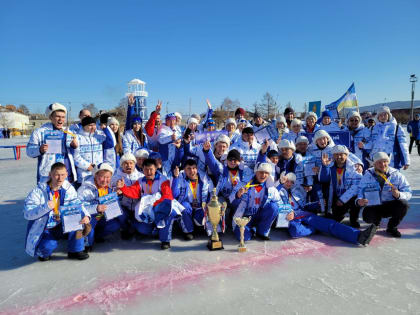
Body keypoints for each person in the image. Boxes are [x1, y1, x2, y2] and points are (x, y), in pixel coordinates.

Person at [279, 173, 377, 246]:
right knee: (295, 231)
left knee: (330, 225)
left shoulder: (296, 193)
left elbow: (304, 206)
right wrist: (289, 213)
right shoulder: (278, 191)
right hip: (291, 217)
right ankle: (316, 229)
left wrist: (316, 204)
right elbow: (278, 206)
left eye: (291, 182)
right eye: (287, 181)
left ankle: (358, 236)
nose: (289, 184)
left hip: (304, 215)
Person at [24, 162, 90, 261]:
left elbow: (78, 204)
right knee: (47, 247)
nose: (60, 178)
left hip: (63, 223)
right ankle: (44, 252)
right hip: (46, 228)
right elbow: (27, 214)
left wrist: (86, 215)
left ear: (67, 174)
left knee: (79, 218)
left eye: (62, 175)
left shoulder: (68, 188)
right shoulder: (38, 192)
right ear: (50, 174)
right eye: (57, 175)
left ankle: (75, 250)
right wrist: (45, 207)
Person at [117, 158, 182, 249]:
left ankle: (165, 240)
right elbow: (133, 192)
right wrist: (123, 187)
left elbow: (167, 195)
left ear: (155, 169)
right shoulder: (140, 181)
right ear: (142, 169)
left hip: (160, 206)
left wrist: (155, 205)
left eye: (151, 169)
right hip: (147, 209)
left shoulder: (163, 179)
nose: (148, 172)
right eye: (146, 169)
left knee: (167, 215)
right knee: (142, 229)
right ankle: (153, 230)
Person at [357, 152, 412, 237]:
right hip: (374, 206)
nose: (383, 164)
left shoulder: (397, 175)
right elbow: (360, 191)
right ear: (374, 164)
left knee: (404, 204)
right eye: (379, 162)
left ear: (388, 162)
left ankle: (391, 227)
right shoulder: (368, 175)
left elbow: (408, 191)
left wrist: (399, 195)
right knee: (367, 216)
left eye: (385, 161)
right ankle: (376, 222)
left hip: (390, 205)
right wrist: (359, 200)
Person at [27, 103, 78, 183]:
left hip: (66, 174)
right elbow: (29, 151)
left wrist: (74, 147)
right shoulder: (39, 132)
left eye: (63, 117)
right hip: (47, 176)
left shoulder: (69, 132)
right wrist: (39, 149)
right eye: (57, 116)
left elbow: (76, 154)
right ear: (51, 117)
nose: (60, 119)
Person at [232, 162, 281, 242]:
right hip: (245, 217)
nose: (263, 175)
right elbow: (233, 204)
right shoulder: (244, 184)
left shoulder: (271, 188)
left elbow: (279, 203)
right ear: (256, 172)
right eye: (261, 172)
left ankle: (262, 231)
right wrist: (238, 195)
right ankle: (252, 230)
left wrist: (290, 211)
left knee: (274, 207)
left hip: (260, 215)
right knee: (244, 238)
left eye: (266, 173)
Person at [78, 163, 123, 248]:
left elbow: (110, 202)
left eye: (108, 177)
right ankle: (85, 244)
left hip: (101, 215)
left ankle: (96, 236)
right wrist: (96, 208)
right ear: (95, 176)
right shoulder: (86, 189)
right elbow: (79, 206)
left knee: (115, 224)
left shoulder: (110, 186)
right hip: (90, 216)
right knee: (88, 228)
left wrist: (117, 193)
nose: (105, 180)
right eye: (102, 176)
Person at [318, 145, 362, 227]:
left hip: (348, 197)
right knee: (335, 218)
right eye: (336, 154)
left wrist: (343, 199)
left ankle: (354, 220)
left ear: (347, 155)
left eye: (341, 154)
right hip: (336, 197)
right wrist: (325, 167)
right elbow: (323, 180)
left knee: (356, 199)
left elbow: (356, 187)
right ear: (333, 156)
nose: (339, 157)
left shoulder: (354, 168)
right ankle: (337, 214)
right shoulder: (330, 166)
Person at [172, 159, 213, 240]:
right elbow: (174, 194)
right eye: (189, 168)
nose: (192, 171)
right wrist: (175, 178)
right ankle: (188, 231)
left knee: (203, 217)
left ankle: (204, 227)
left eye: (194, 168)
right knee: (184, 206)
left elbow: (212, 192)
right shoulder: (180, 177)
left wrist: (209, 202)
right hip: (188, 207)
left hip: (200, 207)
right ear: (184, 169)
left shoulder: (204, 178)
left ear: (197, 169)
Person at [362, 106, 410, 170]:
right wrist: (364, 145)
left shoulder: (397, 128)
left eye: (385, 114)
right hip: (376, 160)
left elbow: (403, 145)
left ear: (389, 115)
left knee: (392, 179)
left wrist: (406, 161)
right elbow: (371, 143)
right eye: (380, 115)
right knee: (376, 179)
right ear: (378, 117)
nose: (383, 116)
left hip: (391, 161)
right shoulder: (373, 128)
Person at [73, 116, 114, 186]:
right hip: (84, 173)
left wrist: (105, 129)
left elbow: (111, 143)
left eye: (94, 125)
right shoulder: (77, 138)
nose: (93, 127)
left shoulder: (99, 136)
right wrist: (86, 166)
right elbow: (75, 156)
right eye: (90, 125)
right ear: (84, 126)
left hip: (99, 172)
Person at [111, 154, 143, 239]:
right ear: (121, 165)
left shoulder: (141, 177)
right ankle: (124, 228)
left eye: (131, 163)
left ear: (134, 164)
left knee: (141, 227)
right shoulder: (115, 178)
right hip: (124, 207)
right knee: (119, 212)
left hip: (137, 207)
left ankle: (134, 227)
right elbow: (110, 194)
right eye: (125, 163)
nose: (129, 165)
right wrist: (116, 190)